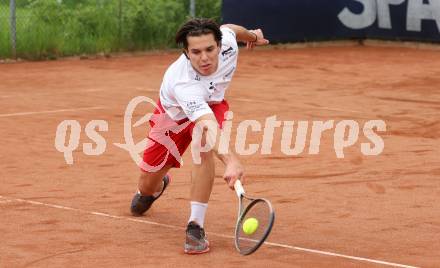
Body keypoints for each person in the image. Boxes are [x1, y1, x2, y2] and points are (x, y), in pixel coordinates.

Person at [130, 18, 269, 254]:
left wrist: (253, 36)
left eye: (209, 49)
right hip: (172, 117)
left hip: (212, 106)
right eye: (195, 52)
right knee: (145, 186)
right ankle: (155, 188)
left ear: (219, 45)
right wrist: (231, 160)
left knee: (203, 146)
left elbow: (232, 30)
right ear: (186, 52)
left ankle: (195, 226)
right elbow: (206, 124)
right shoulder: (183, 81)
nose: (204, 58)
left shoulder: (228, 43)